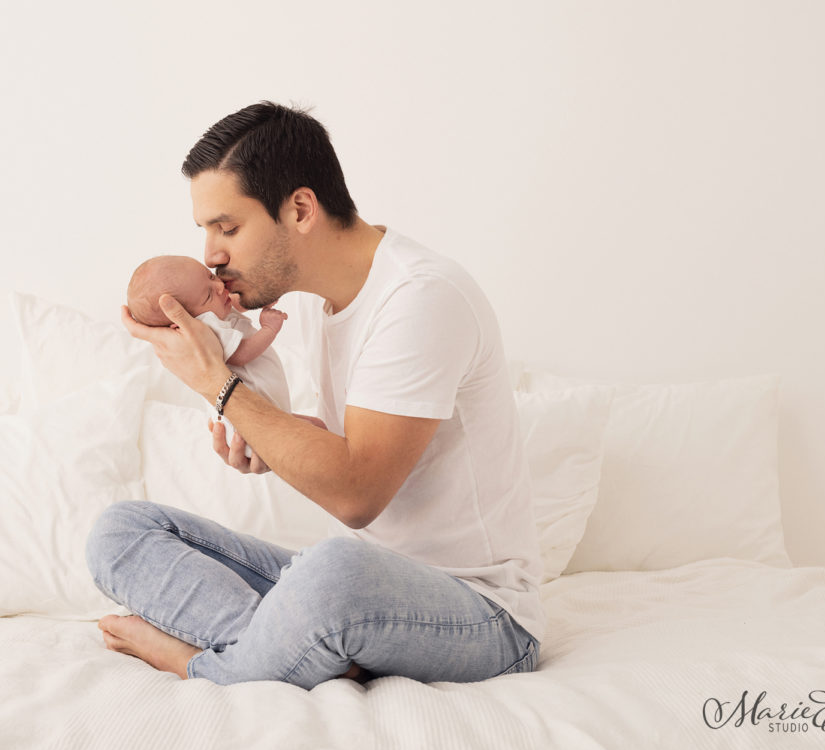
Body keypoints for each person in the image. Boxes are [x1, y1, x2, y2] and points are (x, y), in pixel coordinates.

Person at [85, 101, 545, 690]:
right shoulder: (316, 308)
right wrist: (271, 438)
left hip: (482, 617)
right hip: (369, 596)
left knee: (332, 570)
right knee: (120, 531)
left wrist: (216, 384)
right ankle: (293, 646)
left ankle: (205, 663)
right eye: (206, 232)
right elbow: (345, 452)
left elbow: (357, 494)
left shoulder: (421, 298)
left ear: (300, 208)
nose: (211, 256)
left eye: (227, 228)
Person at [126, 254, 291, 456]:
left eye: (210, 276)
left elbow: (234, 305)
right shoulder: (205, 328)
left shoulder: (212, 310)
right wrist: (269, 329)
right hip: (248, 425)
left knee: (316, 428)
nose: (220, 287)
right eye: (208, 295)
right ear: (183, 319)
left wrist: (259, 295)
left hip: (260, 414)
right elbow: (240, 355)